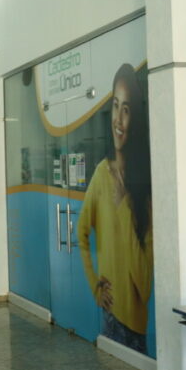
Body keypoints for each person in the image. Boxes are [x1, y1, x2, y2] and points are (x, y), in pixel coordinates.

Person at [78, 63, 153, 354]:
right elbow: (81, 233)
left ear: (136, 118)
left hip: (137, 329)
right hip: (111, 319)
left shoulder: (143, 187)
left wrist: (124, 209)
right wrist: (94, 286)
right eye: (115, 106)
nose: (118, 119)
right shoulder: (101, 175)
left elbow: (144, 288)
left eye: (127, 110)